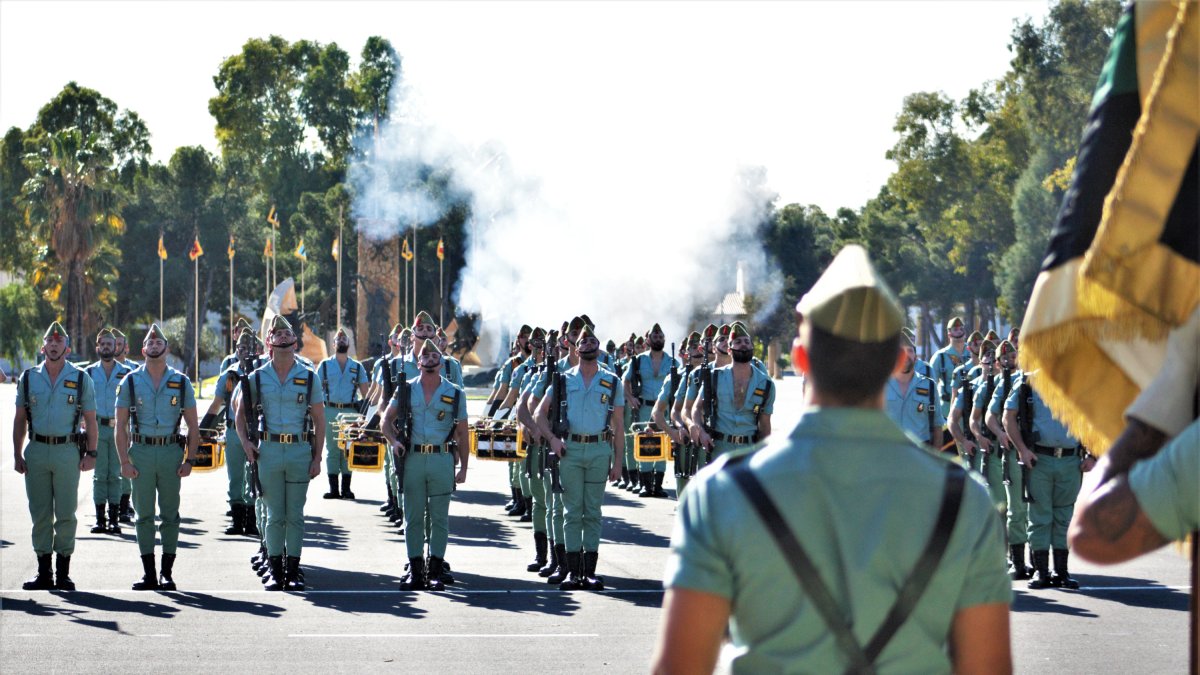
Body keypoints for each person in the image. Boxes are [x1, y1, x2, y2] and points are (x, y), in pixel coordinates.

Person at [653, 245, 1011, 674]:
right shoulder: (965, 500)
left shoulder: (719, 493)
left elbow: (680, 666)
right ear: (898, 362)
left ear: (801, 359)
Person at [233, 315, 325, 591]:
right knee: (274, 514)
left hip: (299, 449)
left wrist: (317, 457)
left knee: (294, 514)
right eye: (278, 334)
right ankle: (275, 571)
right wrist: (246, 444)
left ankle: (293, 572)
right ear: (269, 342)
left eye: (288, 334)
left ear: (295, 342)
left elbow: (320, 421)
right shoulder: (257, 377)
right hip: (269, 450)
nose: (283, 338)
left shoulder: (309, 377)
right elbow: (239, 414)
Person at [535, 325, 625, 590]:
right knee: (572, 511)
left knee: (593, 512)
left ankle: (590, 572)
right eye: (583, 342)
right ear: (576, 350)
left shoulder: (612, 381)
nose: (587, 345)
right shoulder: (563, 380)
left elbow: (619, 425)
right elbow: (539, 413)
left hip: (599, 450)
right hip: (570, 451)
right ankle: (574, 572)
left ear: (598, 348)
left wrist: (618, 462)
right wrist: (552, 439)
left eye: (592, 341)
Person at [14, 322, 99, 591]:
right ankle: (43, 572)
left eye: (59, 341)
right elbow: (19, 419)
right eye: (49, 341)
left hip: (67, 451)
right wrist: (17, 453)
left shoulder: (81, 378)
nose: (53, 345)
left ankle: (63, 573)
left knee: (65, 513)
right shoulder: (28, 378)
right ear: (43, 348)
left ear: (67, 348)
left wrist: (92, 453)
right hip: (37, 450)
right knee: (40, 513)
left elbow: (91, 420)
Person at [115, 324, 201, 590]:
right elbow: (120, 426)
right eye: (149, 343)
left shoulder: (181, 382)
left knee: (170, 515)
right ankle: (149, 573)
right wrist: (124, 462)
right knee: (143, 515)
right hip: (140, 452)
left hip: (170, 452)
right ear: (143, 350)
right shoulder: (130, 381)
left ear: (167, 349)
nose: (154, 345)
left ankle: (167, 573)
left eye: (158, 343)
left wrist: (189, 460)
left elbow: (193, 425)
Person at [382, 338, 469, 591]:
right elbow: (386, 421)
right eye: (425, 357)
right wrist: (394, 441)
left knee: (439, 518)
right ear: (418, 363)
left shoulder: (455, 392)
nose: (430, 360)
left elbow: (463, 434)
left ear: (441, 363)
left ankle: (435, 572)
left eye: (434, 357)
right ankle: (416, 570)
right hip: (413, 459)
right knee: (413, 518)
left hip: (442, 458)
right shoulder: (406, 389)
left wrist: (464, 467)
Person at [202, 329, 265, 535]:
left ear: (258, 350)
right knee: (235, 476)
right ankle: (237, 521)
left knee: (254, 475)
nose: (244, 352)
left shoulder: (264, 373)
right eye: (240, 348)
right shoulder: (229, 374)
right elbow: (217, 404)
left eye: (249, 348)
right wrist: (203, 429)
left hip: (257, 431)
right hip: (233, 430)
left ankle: (252, 521)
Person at [687, 323, 775, 465]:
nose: (743, 344)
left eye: (747, 341)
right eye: (738, 342)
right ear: (729, 349)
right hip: (718, 450)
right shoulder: (714, 377)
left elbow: (765, 425)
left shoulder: (766, 384)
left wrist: (764, 456)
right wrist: (701, 431)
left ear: (752, 347)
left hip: (749, 451)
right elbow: (696, 409)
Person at [85, 328, 134, 535]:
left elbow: (133, 404)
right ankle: (100, 519)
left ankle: (114, 519)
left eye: (110, 344)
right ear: (98, 347)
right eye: (103, 344)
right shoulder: (88, 373)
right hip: (96, 429)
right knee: (99, 475)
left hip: (118, 429)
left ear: (116, 347)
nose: (106, 347)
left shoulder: (127, 373)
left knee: (115, 474)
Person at [624, 323, 679, 498]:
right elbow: (625, 381)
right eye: (654, 336)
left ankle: (658, 486)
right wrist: (630, 398)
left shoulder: (672, 362)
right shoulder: (638, 360)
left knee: (662, 442)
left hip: (663, 408)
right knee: (644, 443)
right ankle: (645, 486)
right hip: (644, 407)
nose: (658, 339)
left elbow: (679, 382)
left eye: (661, 336)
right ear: (648, 340)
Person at [317, 327, 370, 500]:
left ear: (349, 344)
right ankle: (334, 489)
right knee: (332, 449)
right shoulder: (324, 365)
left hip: (350, 411)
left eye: (344, 339)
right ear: (333, 345)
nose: (341, 340)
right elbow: (316, 391)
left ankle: (346, 488)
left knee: (348, 449)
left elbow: (366, 394)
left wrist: (366, 417)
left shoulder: (357, 367)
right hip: (330, 410)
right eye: (338, 339)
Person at [885, 331, 945, 450]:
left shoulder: (929, 385)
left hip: (920, 451)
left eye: (910, 351)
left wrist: (934, 457)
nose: (906, 355)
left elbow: (937, 425)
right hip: (888, 450)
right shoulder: (882, 384)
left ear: (916, 358)